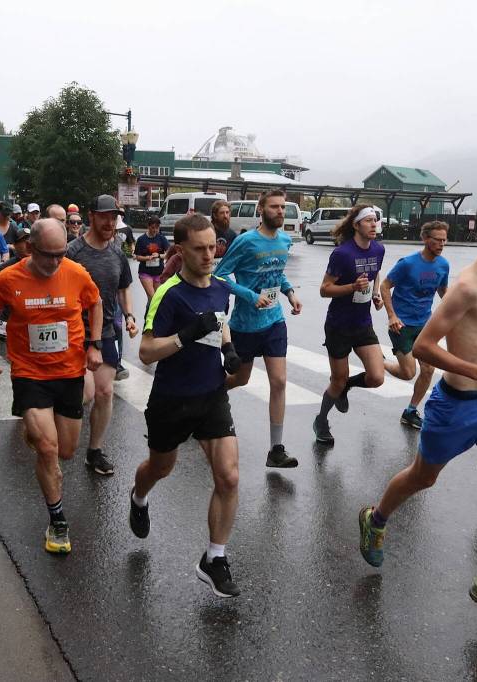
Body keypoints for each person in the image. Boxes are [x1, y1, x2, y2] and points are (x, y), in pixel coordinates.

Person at [359, 191, 477, 627]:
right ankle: (376, 519)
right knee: (424, 477)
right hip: (455, 405)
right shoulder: (465, 289)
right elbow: (423, 347)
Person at [128, 213, 244, 598]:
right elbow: (146, 352)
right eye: (200, 249)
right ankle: (138, 496)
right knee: (161, 467)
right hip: (172, 399)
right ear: (180, 250)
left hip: (212, 394)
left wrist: (228, 348)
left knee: (228, 476)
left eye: (213, 247)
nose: (209, 255)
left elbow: (220, 319)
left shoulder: (221, 287)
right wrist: (185, 335)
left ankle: (215, 558)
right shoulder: (168, 293)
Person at [0, 218, 103, 554]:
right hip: (30, 374)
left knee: (66, 451)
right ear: (30, 248)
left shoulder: (75, 273)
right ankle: (57, 520)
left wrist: (95, 344)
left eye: (61, 253)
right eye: (49, 255)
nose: (56, 262)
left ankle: (38, 431)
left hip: (69, 373)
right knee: (48, 450)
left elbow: (96, 303)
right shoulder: (8, 279)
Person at [215, 188, 303, 468]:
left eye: (283, 207)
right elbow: (220, 276)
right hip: (245, 325)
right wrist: (251, 296)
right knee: (241, 379)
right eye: (274, 207)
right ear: (261, 210)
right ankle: (209, 394)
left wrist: (290, 294)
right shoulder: (245, 241)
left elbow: (277, 273)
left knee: (279, 382)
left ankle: (276, 449)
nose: (280, 211)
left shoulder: (286, 240)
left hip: (274, 321)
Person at [66, 195, 138, 476]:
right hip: (73, 332)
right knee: (85, 392)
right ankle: (54, 426)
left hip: (106, 331)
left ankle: (94, 451)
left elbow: (123, 288)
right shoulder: (73, 251)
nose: (110, 222)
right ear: (91, 216)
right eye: (105, 216)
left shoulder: (117, 252)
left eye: (114, 217)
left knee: (105, 392)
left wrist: (130, 316)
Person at [312, 204, 386, 445]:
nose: (374, 225)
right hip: (339, 325)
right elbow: (325, 290)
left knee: (376, 377)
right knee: (337, 379)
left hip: (363, 323)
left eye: (376, 220)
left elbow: (375, 276)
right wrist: (352, 287)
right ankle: (321, 420)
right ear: (356, 225)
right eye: (369, 221)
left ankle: (347, 388)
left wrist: (376, 294)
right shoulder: (342, 254)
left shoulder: (379, 249)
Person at [380, 220, 450, 429]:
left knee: (428, 370)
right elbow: (385, 286)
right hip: (401, 325)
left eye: (444, 240)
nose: (441, 244)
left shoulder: (443, 265)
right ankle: (380, 361)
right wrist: (392, 316)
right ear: (426, 239)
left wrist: (455, 314)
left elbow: (443, 292)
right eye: (437, 240)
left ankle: (411, 411)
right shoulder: (408, 263)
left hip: (425, 325)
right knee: (408, 373)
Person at [133, 216, 169, 303]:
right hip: (145, 272)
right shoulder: (141, 240)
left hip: (159, 272)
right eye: (153, 228)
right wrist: (147, 258)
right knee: (153, 298)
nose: (155, 230)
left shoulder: (161, 238)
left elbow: (168, 254)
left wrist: (159, 255)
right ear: (148, 226)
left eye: (157, 228)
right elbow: (137, 257)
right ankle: (152, 316)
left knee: (155, 299)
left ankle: (148, 316)